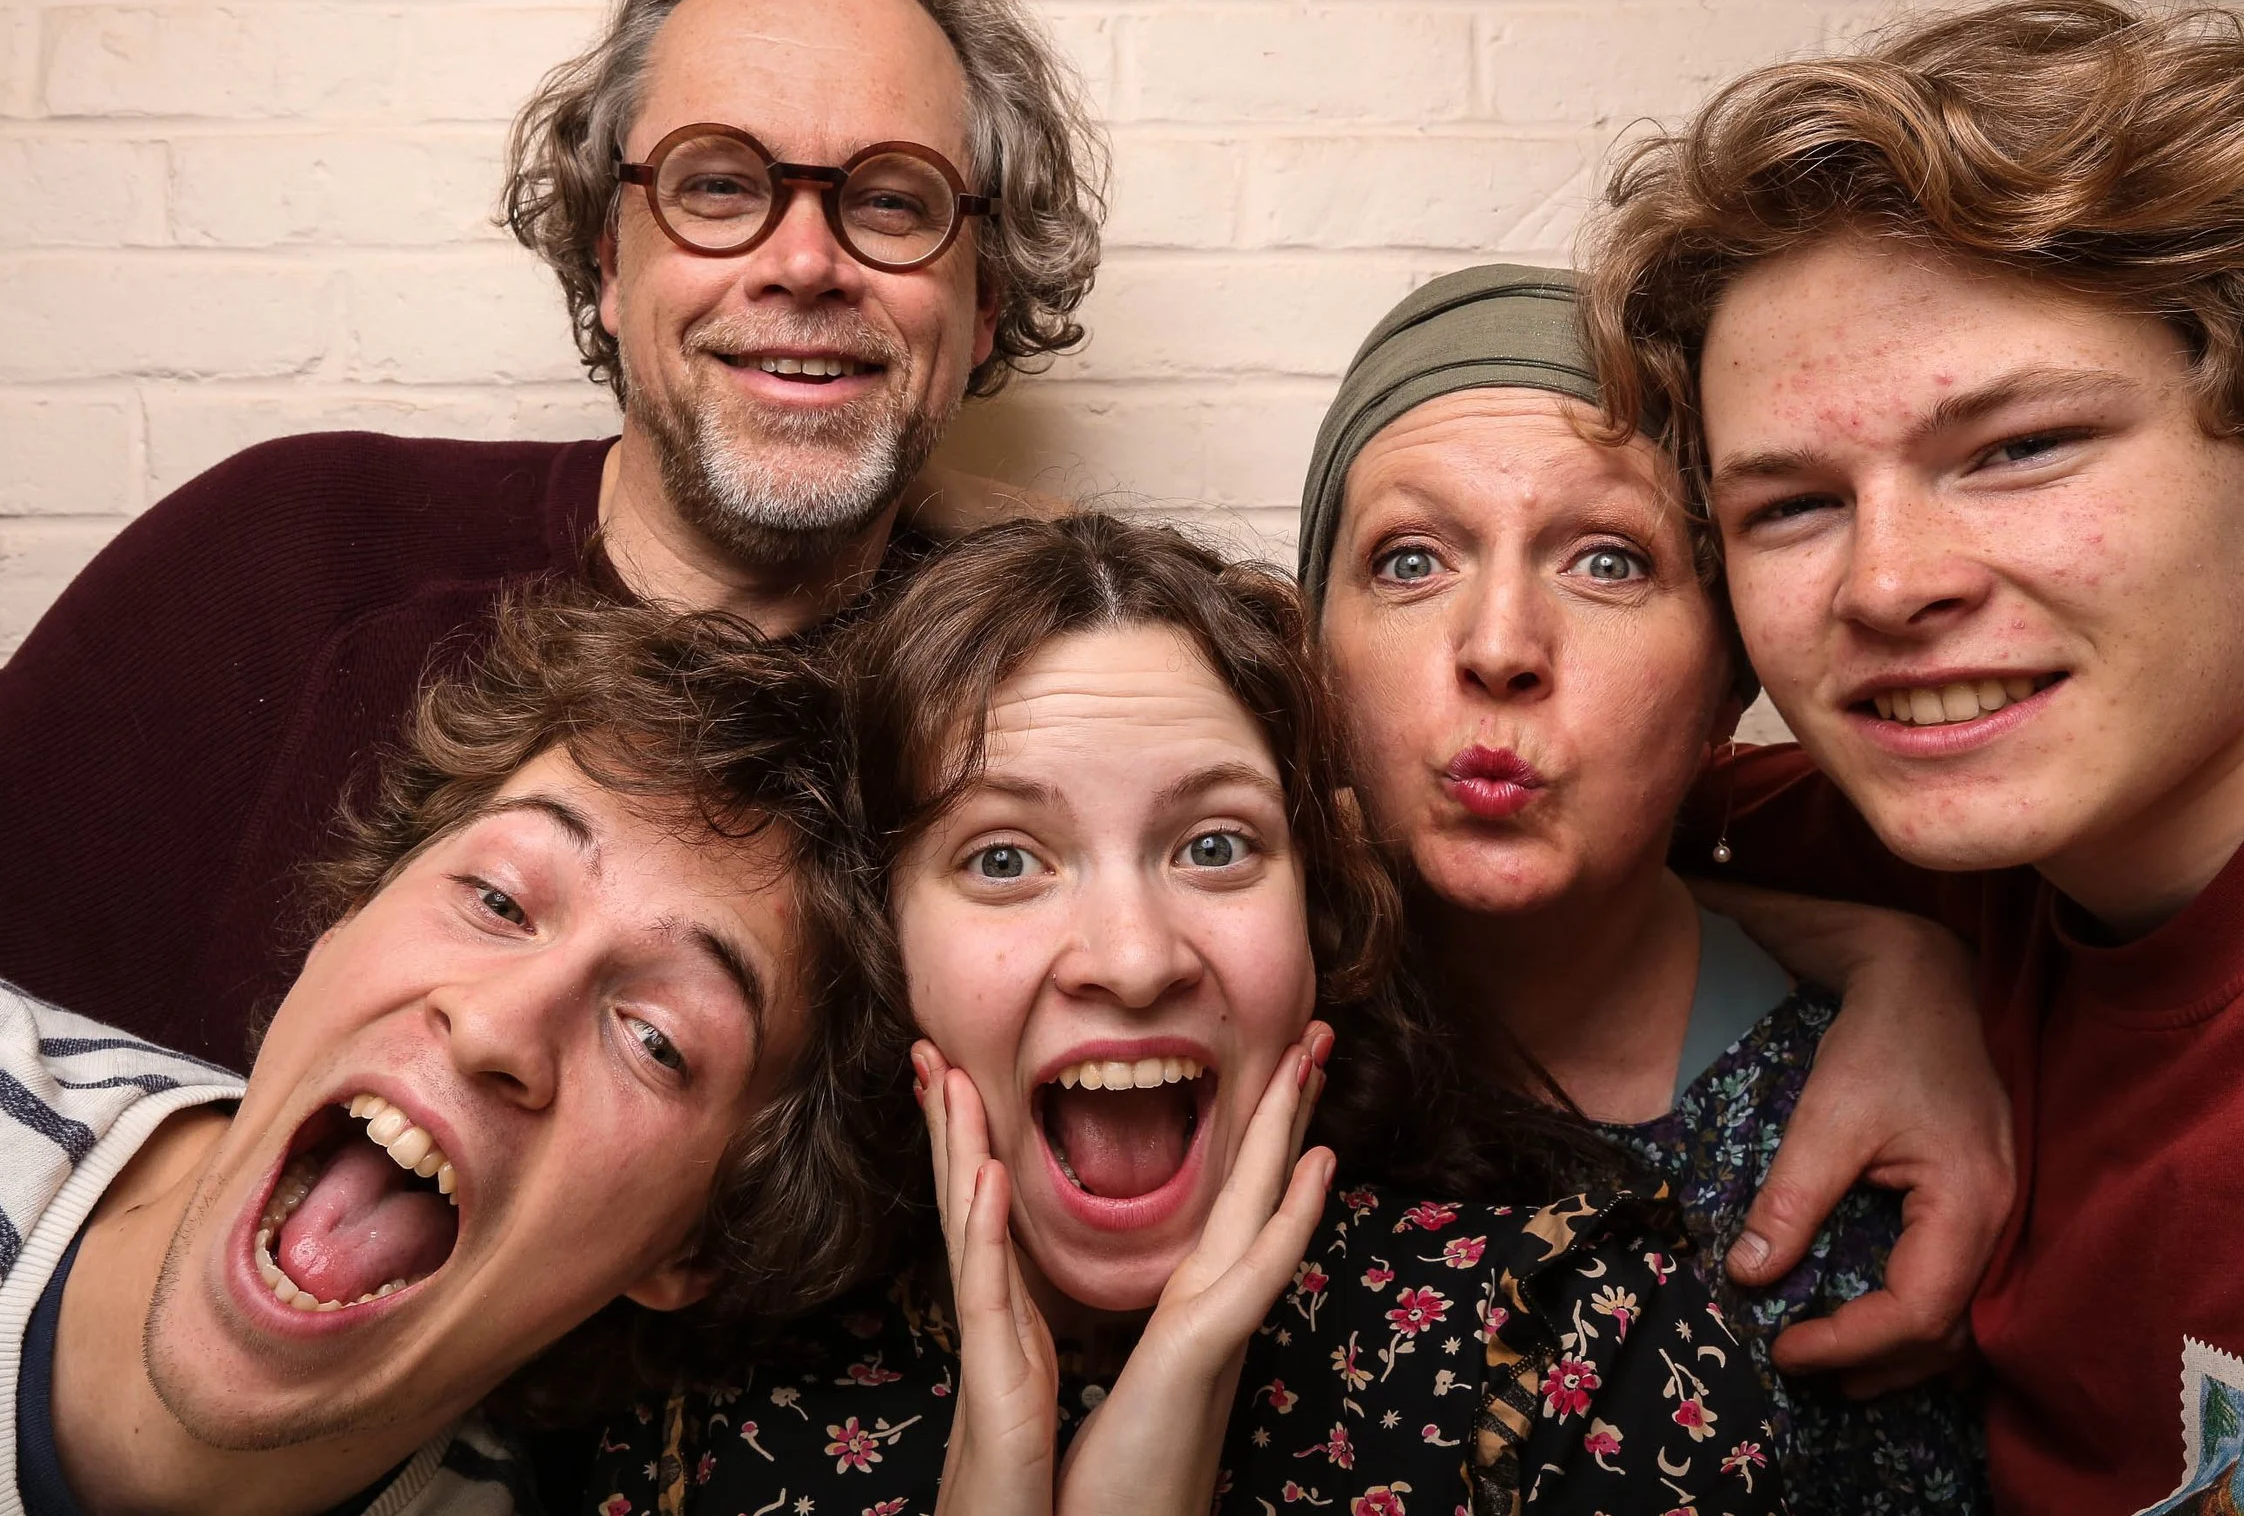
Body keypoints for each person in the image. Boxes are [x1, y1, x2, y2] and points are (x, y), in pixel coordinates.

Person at [0, 0, 1106, 1070]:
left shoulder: (1058, 695)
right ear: (607, 262)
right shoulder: (300, 559)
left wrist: (1076, 571)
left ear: (983, 300)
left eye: (893, 200)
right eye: (715, 185)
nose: (804, 262)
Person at [584, 514, 1783, 1515]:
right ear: (882, 943)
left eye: (1214, 845)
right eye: (1003, 858)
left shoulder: (1588, 1351)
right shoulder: (705, 1416)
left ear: (1317, 915)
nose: (1132, 958)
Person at [0, 588, 903, 1515]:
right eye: (498, 897)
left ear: (696, 1242)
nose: (496, 1028)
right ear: (343, 918)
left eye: (656, 1037)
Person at [1583, 0, 2244, 1515]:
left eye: (2019, 448)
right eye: (1793, 505)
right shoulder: (1928, 837)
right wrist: (1901, 956)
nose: (1887, 584)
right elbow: (1452, 830)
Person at [1296, 264, 1987, 1511]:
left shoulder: (1870, 1147)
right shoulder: (1210, 1066)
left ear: (1731, 669)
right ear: (1313, 654)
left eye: (1607, 561)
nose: (1499, 646)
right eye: (1409, 559)